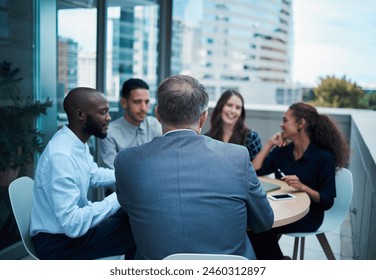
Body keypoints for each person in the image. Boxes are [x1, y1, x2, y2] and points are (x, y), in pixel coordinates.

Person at [115, 75, 274, 260]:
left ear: (157, 114)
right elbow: (264, 222)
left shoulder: (126, 161)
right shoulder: (237, 156)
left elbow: (130, 211)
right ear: (202, 118)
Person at [30, 87, 136, 260]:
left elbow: (93, 175)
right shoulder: (61, 156)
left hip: (68, 235)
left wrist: (128, 175)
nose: (109, 118)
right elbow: (72, 224)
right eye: (103, 112)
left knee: (133, 216)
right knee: (136, 229)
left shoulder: (77, 142)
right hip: (57, 245)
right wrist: (119, 196)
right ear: (81, 115)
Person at [248, 102, 350, 260]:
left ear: (301, 123)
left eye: (285, 120)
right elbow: (255, 170)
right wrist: (269, 144)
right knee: (255, 223)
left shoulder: (323, 157)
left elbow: (327, 200)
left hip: (309, 216)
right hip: (282, 210)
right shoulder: (283, 152)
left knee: (261, 226)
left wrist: (303, 187)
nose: (281, 125)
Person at [99, 78, 162, 169]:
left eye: (147, 102)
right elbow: (113, 170)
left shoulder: (155, 124)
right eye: (137, 102)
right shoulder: (110, 133)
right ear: (124, 103)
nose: (144, 108)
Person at [206, 89, 262, 161]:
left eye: (238, 108)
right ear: (220, 107)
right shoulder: (207, 139)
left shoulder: (251, 137)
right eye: (229, 105)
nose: (233, 111)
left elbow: (256, 169)